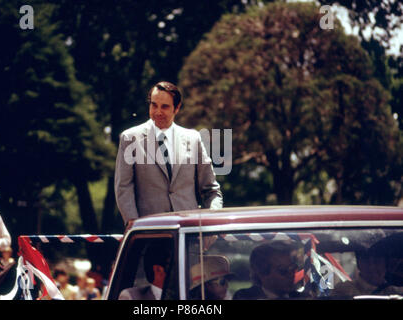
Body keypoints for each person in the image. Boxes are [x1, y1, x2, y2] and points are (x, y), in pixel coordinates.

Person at [115, 81, 223, 226]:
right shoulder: (130, 138)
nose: (158, 112)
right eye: (154, 105)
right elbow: (123, 189)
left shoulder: (193, 138)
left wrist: (212, 224)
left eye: (164, 106)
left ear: (177, 108)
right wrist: (135, 227)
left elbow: (211, 190)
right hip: (148, 234)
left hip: (188, 234)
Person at [233, 241, 305, 300]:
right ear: (262, 273)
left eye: (293, 268)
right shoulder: (244, 296)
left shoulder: (300, 297)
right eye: (283, 270)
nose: (291, 274)